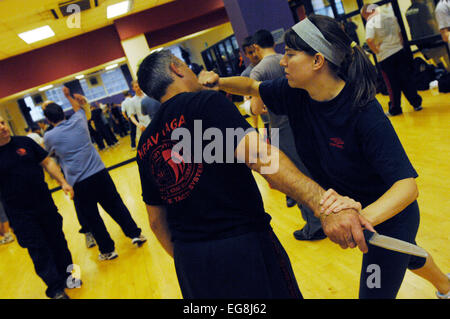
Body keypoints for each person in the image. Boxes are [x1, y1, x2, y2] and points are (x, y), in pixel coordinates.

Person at [199, 14, 449, 299]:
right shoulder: (295, 92)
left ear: (317, 61)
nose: (282, 62)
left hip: (389, 217)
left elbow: (407, 187)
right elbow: (251, 87)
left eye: (290, 55)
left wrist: (356, 219)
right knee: (408, 254)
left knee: (376, 287)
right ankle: (446, 286)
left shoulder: (363, 113)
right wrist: (218, 82)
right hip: (360, 213)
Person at [136, 49, 372, 299]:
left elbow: (155, 220)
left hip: (191, 263)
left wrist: (191, 258)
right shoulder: (205, 104)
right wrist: (326, 206)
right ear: (177, 68)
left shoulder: (146, 142)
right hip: (242, 250)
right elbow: (261, 158)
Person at [42, 87, 147, 261]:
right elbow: (79, 109)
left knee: (92, 217)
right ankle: (136, 234)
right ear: (62, 112)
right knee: (116, 205)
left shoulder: (49, 137)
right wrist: (68, 96)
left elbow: (49, 156)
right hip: (99, 174)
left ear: (47, 119)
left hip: (78, 182)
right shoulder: (78, 120)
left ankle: (107, 250)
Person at [249, 29, 324, 240]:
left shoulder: (258, 71)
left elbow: (256, 108)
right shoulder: (289, 61)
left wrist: (253, 108)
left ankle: (315, 225)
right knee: (314, 169)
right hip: (305, 120)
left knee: (296, 177)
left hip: (280, 128)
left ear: (255, 47)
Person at [0, 115, 76, 299]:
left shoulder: (25, 142)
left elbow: (47, 162)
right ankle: (55, 288)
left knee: (58, 240)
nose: (2, 127)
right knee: (38, 249)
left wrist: (63, 182)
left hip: (44, 204)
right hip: (19, 213)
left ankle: (69, 277)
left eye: (2, 122)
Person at [361, 4, 423, 116]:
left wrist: (376, 51)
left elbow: (369, 40)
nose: (365, 18)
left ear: (368, 12)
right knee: (406, 78)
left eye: (364, 16)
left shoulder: (371, 22)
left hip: (385, 56)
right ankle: (416, 103)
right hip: (399, 51)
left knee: (392, 84)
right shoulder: (389, 16)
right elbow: (400, 34)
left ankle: (395, 109)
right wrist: (398, 45)